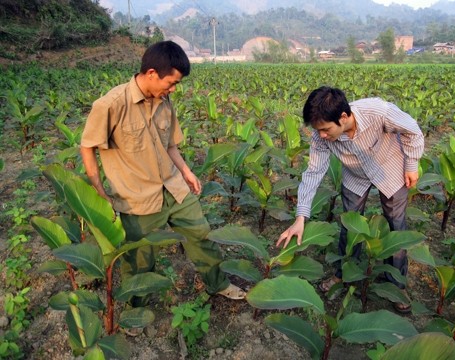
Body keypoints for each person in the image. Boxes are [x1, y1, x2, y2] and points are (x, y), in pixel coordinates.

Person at [80, 41, 245, 309]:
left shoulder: (164, 100)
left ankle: (218, 284)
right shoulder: (111, 105)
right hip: (137, 199)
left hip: (174, 187)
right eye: (171, 83)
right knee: (140, 260)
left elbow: (169, 145)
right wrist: (100, 194)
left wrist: (186, 172)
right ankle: (138, 310)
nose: (173, 89)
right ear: (152, 73)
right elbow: (87, 146)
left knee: (201, 235)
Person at [276, 86, 424, 313]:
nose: (322, 135)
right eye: (318, 130)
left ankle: (396, 285)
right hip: (355, 176)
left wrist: (412, 165)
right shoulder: (320, 136)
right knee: (350, 226)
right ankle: (344, 274)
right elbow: (314, 172)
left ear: (343, 117)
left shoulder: (378, 111)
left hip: (390, 169)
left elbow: (413, 130)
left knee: (396, 227)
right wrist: (301, 216)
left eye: (326, 129)